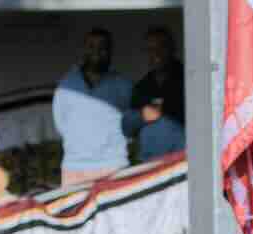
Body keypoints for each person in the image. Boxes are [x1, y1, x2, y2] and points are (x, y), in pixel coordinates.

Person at [54, 28, 134, 186]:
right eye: (91, 46)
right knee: (74, 211)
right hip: (75, 169)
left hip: (114, 167)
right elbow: (61, 125)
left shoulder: (124, 86)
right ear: (84, 49)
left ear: (110, 51)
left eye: (102, 47)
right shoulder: (66, 85)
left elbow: (132, 124)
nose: (97, 51)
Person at [124, 25, 186, 162]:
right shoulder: (142, 86)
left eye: (161, 48)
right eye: (151, 50)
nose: (156, 53)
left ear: (172, 49)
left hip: (181, 164)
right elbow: (127, 127)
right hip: (150, 165)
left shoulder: (189, 81)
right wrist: (142, 116)